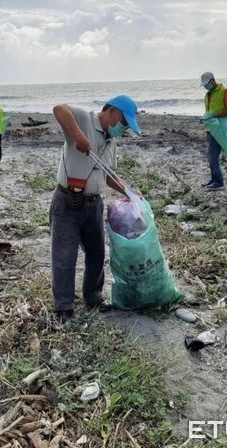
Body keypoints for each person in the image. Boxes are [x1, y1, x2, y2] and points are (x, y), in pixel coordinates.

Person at [50, 95, 141, 323]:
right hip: (67, 200)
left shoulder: (111, 141)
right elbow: (59, 108)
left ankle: (93, 296)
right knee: (65, 257)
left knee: (96, 254)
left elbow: (108, 175)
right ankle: (64, 307)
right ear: (112, 112)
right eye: (124, 122)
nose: (125, 128)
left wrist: (128, 191)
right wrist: (78, 137)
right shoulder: (84, 119)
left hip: (93, 204)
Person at [200, 72, 227, 190]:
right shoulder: (207, 95)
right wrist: (205, 118)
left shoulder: (224, 91)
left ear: (213, 81)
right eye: (204, 85)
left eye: (207, 84)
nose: (205, 86)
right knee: (211, 155)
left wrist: (214, 115)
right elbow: (209, 111)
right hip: (211, 128)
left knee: (212, 155)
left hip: (220, 128)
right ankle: (214, 179)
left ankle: (219, 182)